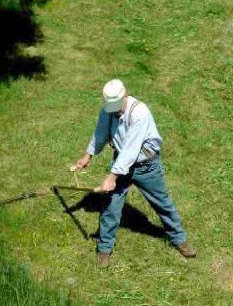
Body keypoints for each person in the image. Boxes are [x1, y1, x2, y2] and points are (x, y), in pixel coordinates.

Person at [76, 79, 196, 267]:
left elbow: (131, 150)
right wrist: (88, 155)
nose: (114, 110)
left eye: (116, 105)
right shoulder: (108, 109)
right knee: (111, 206)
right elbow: (101, 132)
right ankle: (105, 249)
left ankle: (179, 238)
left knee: (162, 203)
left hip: (146, 166)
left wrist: (111, 177)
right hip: (121, 164)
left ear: (125, 95)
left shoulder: (140, 112)